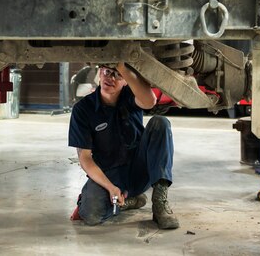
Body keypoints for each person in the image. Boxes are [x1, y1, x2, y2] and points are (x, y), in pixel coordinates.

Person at [68, 62, 179, 229]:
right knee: (90, 214)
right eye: (106, 72)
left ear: (126, 80)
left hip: (140, 170)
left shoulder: (130, 96)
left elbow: (150, 101)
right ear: (99, 73)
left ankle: (160, 204)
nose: (110, 78)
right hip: (110, 175)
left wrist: (123, 67)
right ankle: (127, 201)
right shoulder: (83, 110)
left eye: (117, 75)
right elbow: (85, 159)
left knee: (160, 123)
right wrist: (110, 187)